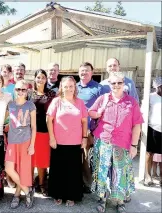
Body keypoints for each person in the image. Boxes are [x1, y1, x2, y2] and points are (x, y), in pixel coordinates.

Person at [89, 71, 143, 213]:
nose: (116, 85)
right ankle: (102, 199)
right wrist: (98, 112)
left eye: (119, 82)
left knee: (120, 173)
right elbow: (91, 112)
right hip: (103, 141)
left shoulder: (131, 102)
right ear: (109, 84)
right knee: (102, 171)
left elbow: (137, 125)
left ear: (124, 84)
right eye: (113, 83)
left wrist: (134, 145)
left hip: (123, 143)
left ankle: (119, 201)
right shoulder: (103, 98)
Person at [47, 76, 88, 207]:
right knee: (58, 170)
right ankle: (58, 194)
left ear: (75, 87)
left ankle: (72, 196)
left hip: (75, 143)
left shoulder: (80, 103)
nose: (69, 88)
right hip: (58, 142)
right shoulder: (56, 101)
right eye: (66, 86)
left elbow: (84, 121)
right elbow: (49, 120)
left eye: (71, 86)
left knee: (73, 171)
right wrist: (52, 137)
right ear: (61, 88)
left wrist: (84, 138)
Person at [5, 80, 36, 209]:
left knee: (22, 171)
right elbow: (3, 119)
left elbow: (34, 126)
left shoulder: (30, 105)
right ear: (14, 90)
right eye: (18, 89)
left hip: (26, 140)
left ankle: (17, 195)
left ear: (27, 91)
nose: (21, 92)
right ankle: (28, 191)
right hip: (12, 141)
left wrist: (32, 145)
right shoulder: (10, 104)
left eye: (23, 90)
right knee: (9, 169)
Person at [77, 62, 104, 193]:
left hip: (92, 130)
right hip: (76, 130)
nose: (84, 73)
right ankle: (84, 183)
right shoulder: (74, 87)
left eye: (87, 70)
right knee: (81, 158)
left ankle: (96, 184)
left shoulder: (99, 88)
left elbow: (104, 109)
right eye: (82, 70)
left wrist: (96, 129)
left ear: (92, 73)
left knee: (94, 158)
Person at [28, 69, 56, 196]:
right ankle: (29, 183)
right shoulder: (29, 93)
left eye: (43, 77)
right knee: (30, 159)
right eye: (38, 77)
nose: (40, 79)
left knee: (42, 160)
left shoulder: (51, 94)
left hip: (45, 131)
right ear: (34, 79)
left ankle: (42, 184)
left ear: (46, 79)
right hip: (30, 131)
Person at [144, 76, 162, 186]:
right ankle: (148, 176)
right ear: (156, 87)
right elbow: (143, 112)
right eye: (159, 87)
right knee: (149, 153)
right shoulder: (150, 97)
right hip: (152, 128)